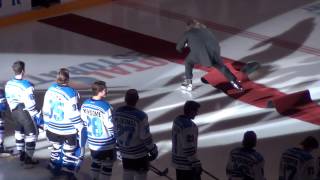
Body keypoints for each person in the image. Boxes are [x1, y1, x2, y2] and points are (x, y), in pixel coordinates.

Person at [176, 19, 243, 91]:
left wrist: (186, 45)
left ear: (189, 26)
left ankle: (188, 83)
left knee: (188, 62)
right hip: (214, 52)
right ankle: (234, 82)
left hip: (201, 54)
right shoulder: (206, 30)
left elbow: (179, 47)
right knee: (221, 67)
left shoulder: (188, 33)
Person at [42, 68, 84, 178]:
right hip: (68, 130)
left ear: (57, 78)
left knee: (56, 147)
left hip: (52, 128)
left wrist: (46, 125)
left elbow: (45, 110)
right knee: (69, 152)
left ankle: (53, 168)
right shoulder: (72, 93)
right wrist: (80, 128)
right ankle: (67, 173)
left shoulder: (50, 90)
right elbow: (74, 114)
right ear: (68, 79)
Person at [113, 89, 158, 180]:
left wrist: (117, 147)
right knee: (140, 174)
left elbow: (114, 131)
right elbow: (145, 136)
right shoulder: (141, 116)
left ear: (125, 99)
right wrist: (153, 149)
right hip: (139, 154)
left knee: (127, 172)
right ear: (137, 99)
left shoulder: (117, 112)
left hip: (124, 152)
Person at [4, 61, 41, 168]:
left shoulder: (8, 84)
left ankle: (21, 155)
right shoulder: (27, 85)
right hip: (24, 112)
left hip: (14, 112)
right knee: (31, 135)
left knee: (18, 132)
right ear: (23, 71)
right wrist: (37, 116)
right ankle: (28, 159)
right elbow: (31, 105)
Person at [80, 81, 116, 180]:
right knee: (107, 166)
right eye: (105, 89)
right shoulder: (105, 107)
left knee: (96, 163)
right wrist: (116, 140)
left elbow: (83, 122)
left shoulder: (85, 104)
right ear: (100, 91)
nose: (107, 90)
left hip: (92, 142)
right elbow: (110, 126)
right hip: (106, 143)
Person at [172, 100, 202, 180]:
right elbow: (188, 147)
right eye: (195, 111)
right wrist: (196, 163)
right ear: (191, 111)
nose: (197, 113)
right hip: (186, 165)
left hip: (177, 162)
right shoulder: (188, 127)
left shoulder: (177, 120)